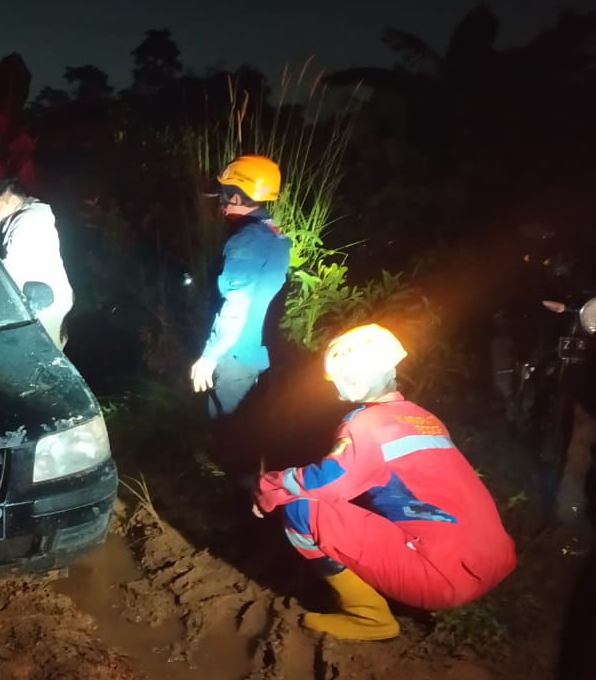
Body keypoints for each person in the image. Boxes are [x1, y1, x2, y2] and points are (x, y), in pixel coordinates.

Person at [252, 324, 517, 641]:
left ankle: (369, 617)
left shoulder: (365, 424)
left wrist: (268, 486)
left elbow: (329, 484)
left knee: (301, 511)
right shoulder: (425, 417)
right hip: (497, 559)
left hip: (444, 578)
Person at [190, 155, 292, 418]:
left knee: (227, 433)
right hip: (259, 353)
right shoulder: (275, 236)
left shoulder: (246, 241)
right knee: (251, 425)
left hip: (234, 355)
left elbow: (237, 303)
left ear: (238, 197)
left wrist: (210, 356)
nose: (221, 202)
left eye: (225, 194)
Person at [0, 177, 73, 349]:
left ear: (12, 200)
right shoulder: (27, 215)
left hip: (44, 301)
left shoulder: (28, 222)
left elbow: (12, 267)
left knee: (45, 355)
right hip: (41, 297)